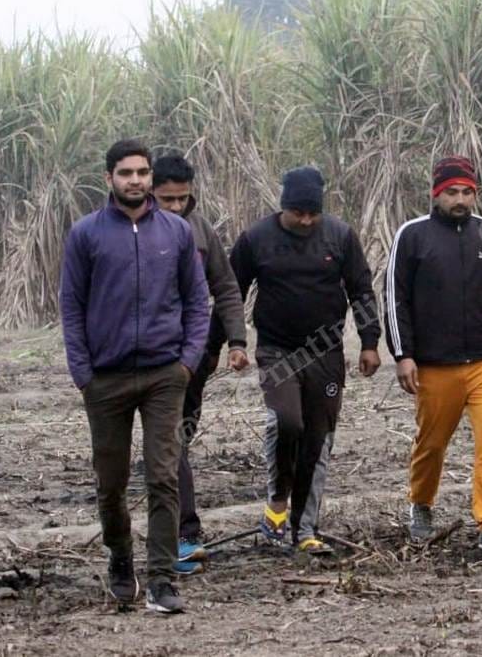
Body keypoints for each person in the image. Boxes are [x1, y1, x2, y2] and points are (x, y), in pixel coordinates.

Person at [59, 139, 209, 613]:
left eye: (142, 172)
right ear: (109, 178)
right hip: (106, 378)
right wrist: (84, 372)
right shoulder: (86, 235)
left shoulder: (176, 232)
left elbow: (197, 301)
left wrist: (187, 361)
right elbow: (71, 306)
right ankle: (121, 560)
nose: (136, 180)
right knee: (112, 481)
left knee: (164, 476)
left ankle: (163, 578)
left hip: (166, 374)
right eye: (126, 173)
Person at [210, 165, 381, 554]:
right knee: (287, 422)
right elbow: (230, 293)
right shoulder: (256, 238)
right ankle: (277, 500)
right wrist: (227, 344)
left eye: (312, 214)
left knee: (317, 439)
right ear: (282, 206)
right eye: (297, 213)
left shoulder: (339, 236)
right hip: (277, 350)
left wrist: (370, 342)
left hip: (326, 353)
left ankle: (304, 530)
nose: (305, 221)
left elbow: (361, 291)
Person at [385, 156, 482, 553]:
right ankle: (421, 506)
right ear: (436, 194)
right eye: (452, 193)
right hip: (434, 364)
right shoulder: (412, 236)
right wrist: (403, 354)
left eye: (467, 192)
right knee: (432, 444)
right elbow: (395, 298)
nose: (460, 199)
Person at [149, 154, 250, 574]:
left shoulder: (200, 228)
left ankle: (183, 537)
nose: (174, 207)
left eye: (182, 199)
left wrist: (236, 340)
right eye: (166, 199)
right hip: (142, 357)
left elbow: (225, 287)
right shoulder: (129, 230)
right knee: (167, 448)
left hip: (192, 359)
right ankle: (178, 535)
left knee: (176, 443)